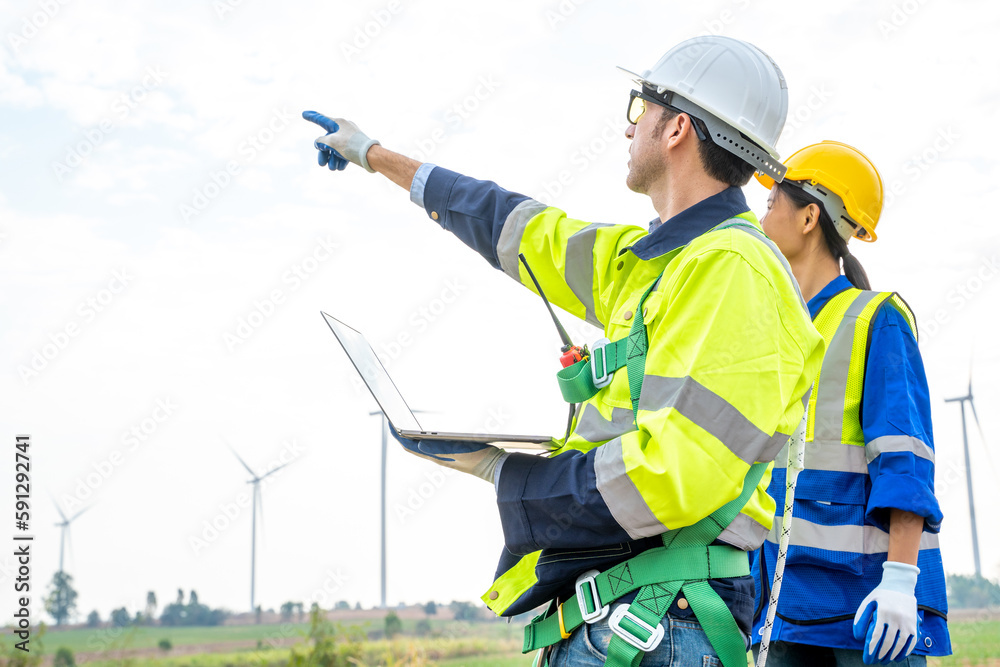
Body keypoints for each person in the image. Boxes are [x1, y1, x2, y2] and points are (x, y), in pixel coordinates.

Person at [306, 35, 824, 667]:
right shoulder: (656, 264)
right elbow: (516, 227)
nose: (626, 129)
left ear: (677, 128)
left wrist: (512, 475)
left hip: (665, 623)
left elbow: (677, 474)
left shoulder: (732, 270)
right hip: (633, 616)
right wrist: (373, 155)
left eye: (640, 110)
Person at [749, 140, 951, 665]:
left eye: (772, 203)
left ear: (810, 216)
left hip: (870, 609)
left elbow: (903, 459)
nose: (761, 215)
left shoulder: (875, 318)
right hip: (783, 603)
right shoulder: (777, 330)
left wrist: (901, 581)